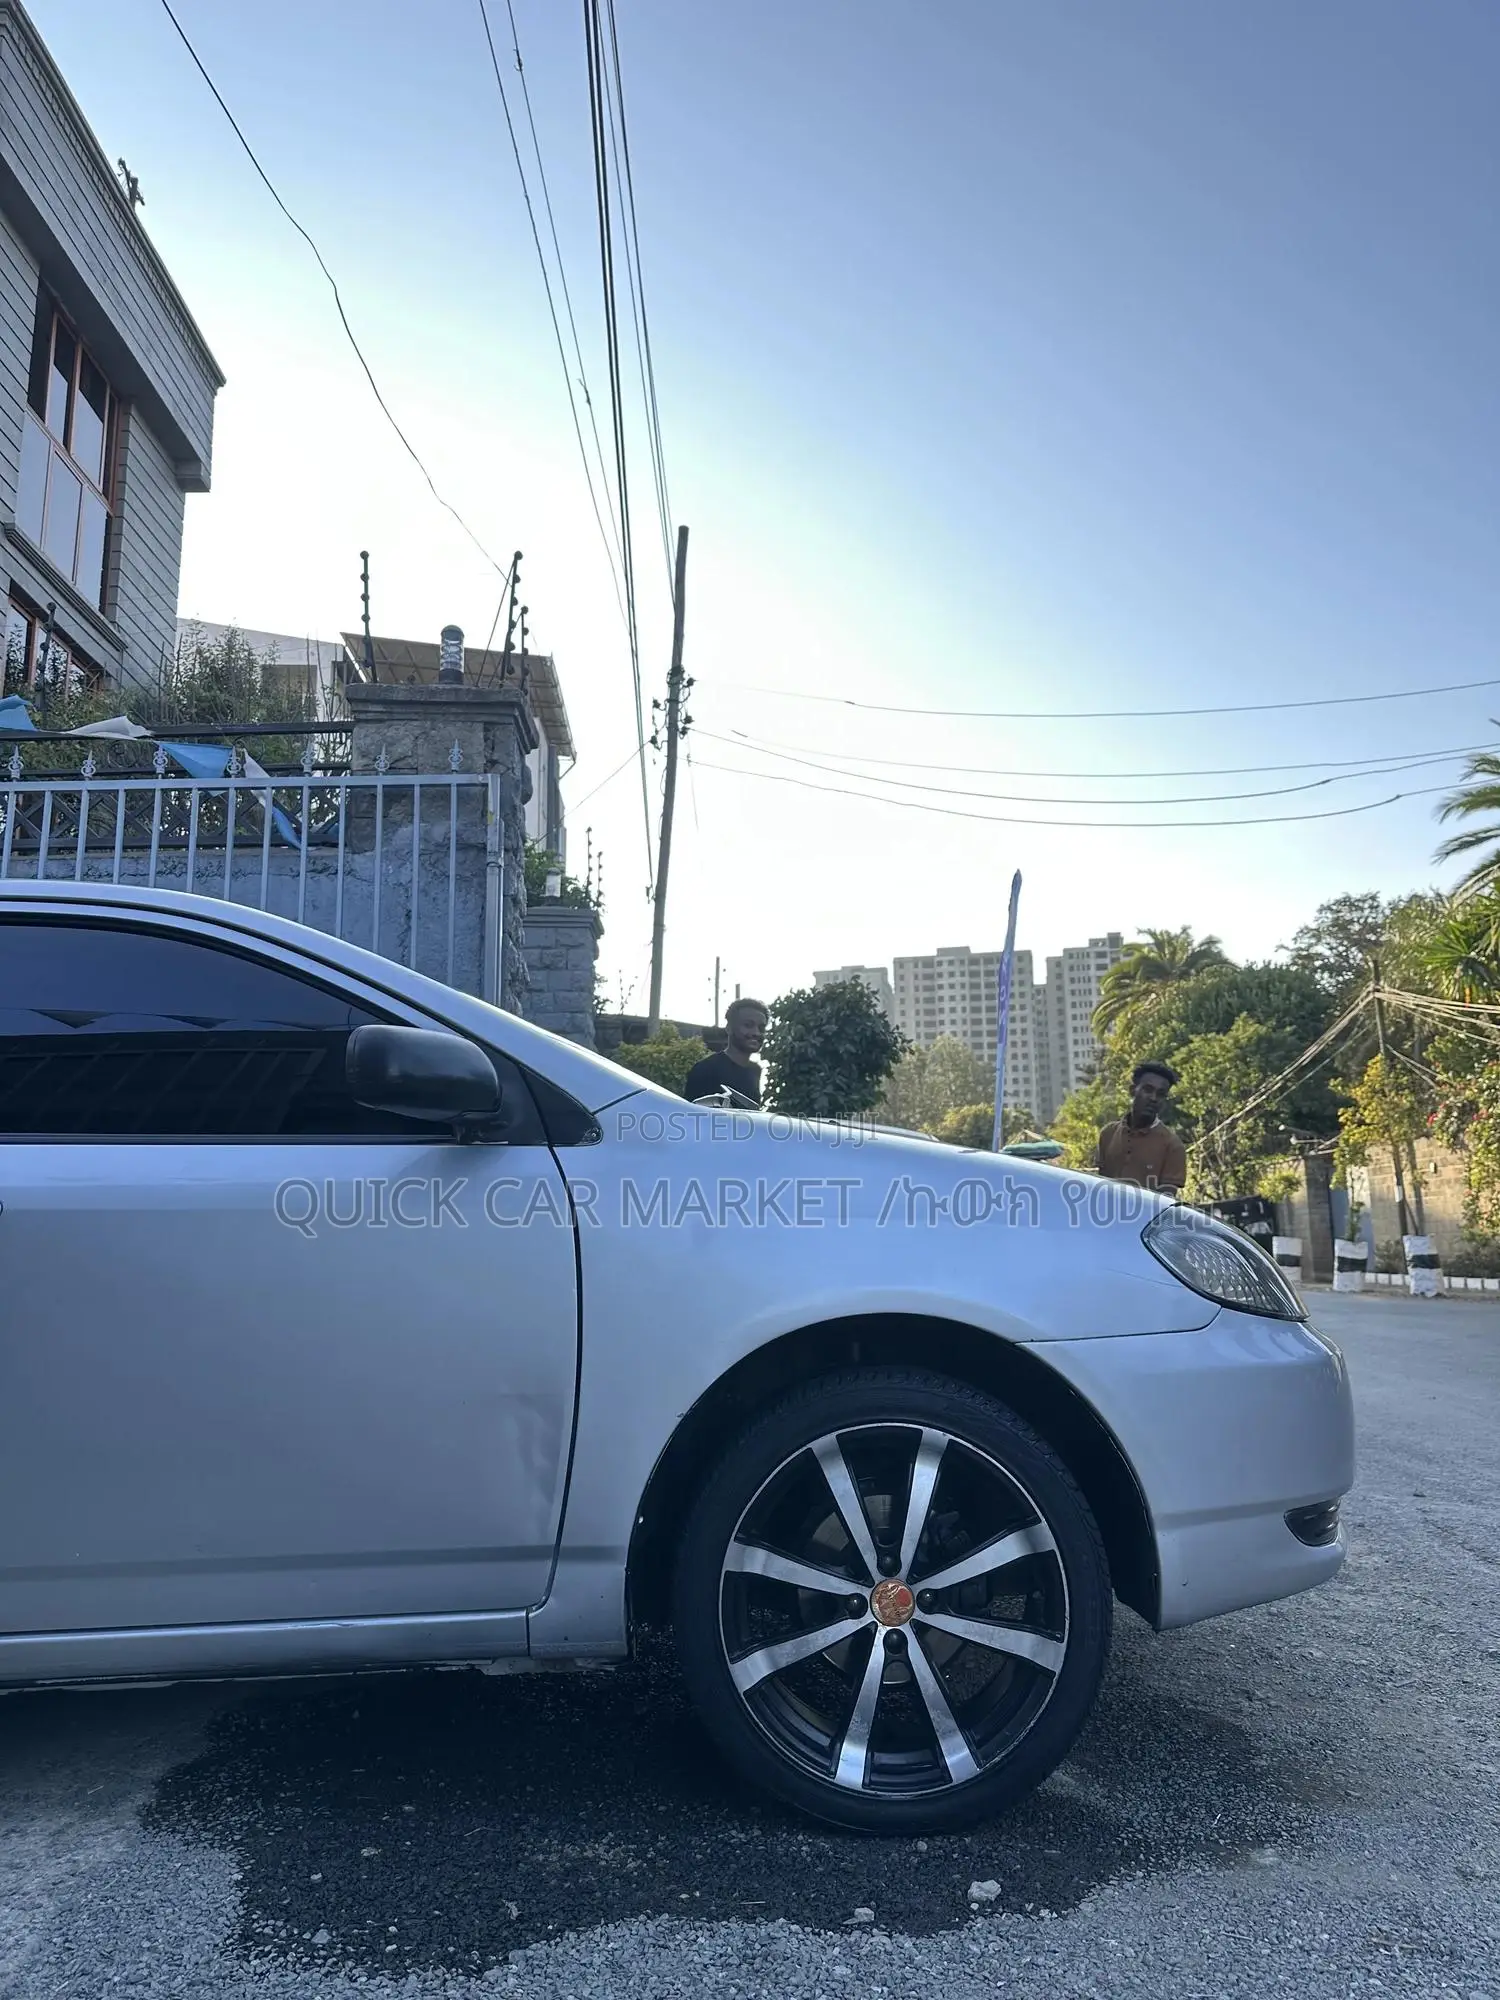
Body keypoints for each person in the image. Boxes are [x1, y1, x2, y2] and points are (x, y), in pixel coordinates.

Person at [1096, 1060, 1187, 1194]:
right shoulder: (1108, 1134)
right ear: (1133, 1091)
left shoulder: (1172, 1145)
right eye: (1148, 1090)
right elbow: (1101, 1185)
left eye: (1160, 1094)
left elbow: (1167, 1199)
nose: (1153, 1098)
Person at [684, 997, 768, 1108]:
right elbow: (691, 1114)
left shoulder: (755, 1070)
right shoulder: (706, 1069)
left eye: (761, 1028)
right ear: (729, 1028)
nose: (756, 1033)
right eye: (748, 1025)